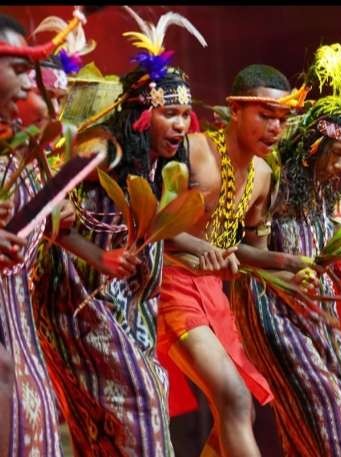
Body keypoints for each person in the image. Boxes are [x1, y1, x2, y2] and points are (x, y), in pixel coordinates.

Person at [31, 8, 206, 455]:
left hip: (128, 304)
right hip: (81, 297)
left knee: (130, 419)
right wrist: (98, 256)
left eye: (186, 114)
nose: (182, 125)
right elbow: (44, 199)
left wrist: (211, 252)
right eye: (171, 113)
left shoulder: (156, 166)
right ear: (143, 114)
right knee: (141, 406)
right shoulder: (104, 148)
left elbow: (155, 232)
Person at [157, 63, 311, 456]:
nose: (275, 128)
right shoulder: (192, 150)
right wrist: (200, 251)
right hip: (170, 288)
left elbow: (238, 249)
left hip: (213, 294)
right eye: (265, 115)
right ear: (235, 110)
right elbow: (153, 228)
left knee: (240, 406)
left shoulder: (261, 175)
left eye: (282, 119)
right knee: (234, 399)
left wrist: (287, 264)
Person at [231, 84, 341, 456]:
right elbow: (242, 253)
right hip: (272, 309)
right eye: (338, 155)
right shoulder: (272, 181)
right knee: (325, 406)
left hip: (315, 311)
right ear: (315, 146)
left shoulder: (327, 193)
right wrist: (291, 270)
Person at [0, 10, 85, 457]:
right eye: (19, 71)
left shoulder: (17, 148)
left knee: (35, 419)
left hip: (17, 320)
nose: (27, 85)